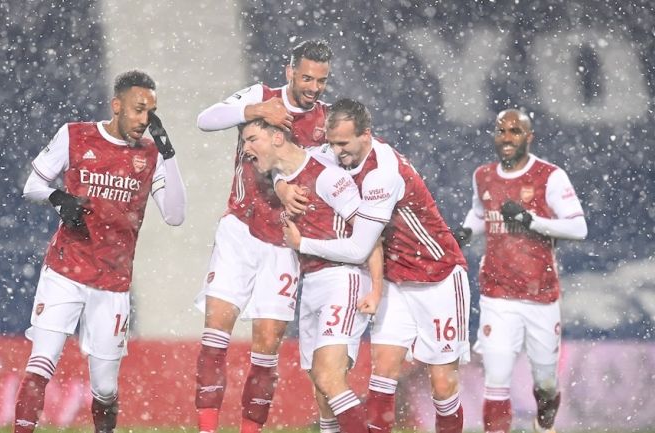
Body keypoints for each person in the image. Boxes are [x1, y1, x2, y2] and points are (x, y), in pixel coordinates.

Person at [282, 99, 470, 433]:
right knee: (382, 375)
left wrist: (302, 245)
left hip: (437, 275)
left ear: (366, 135)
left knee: (442, 385)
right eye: (332, 143)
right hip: (395, 281)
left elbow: (359, 248)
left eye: (344, 143)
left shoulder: (382, 174)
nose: (337, 152)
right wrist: (282, 186)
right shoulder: (335, 155)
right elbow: (290, 161)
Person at [15, 70, 186, 433]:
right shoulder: (75, 135)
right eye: (139, 110)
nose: (146, 120)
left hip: (112, 283)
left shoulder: (151, 156)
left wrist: (168, 154)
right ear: (117, 106)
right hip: (65, 270)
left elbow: (175, 215)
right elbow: (32, 185)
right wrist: (58, 198)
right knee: (40, 363)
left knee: (105, 389)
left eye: (151, 112)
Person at [192, 39, 333, 433]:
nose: (313, 86)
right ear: (290, 71)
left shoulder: (327, 121)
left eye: (321, 80)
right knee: (215, 334)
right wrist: (255, 110)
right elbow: (205, 119)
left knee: (266, 348)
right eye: (306, 77)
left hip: (285, 243)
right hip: (239, 229)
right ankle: (207, 429)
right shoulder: (260, 95)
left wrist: (290, 184)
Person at [242, 118, 380, 433]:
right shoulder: (283, 175)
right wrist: (279, 186)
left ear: (277, 138)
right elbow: (281, 172)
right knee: (321, 392)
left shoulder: (329, 177)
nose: (247, 149)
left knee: (328, 378)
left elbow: (369, 236)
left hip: (344, 279)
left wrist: (376, 290)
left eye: (252, 140)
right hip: (313, 281)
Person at [454, 108, 587, 433]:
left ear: (529, 137)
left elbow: (578, 228)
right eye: (501, 131)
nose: (507, 138)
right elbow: (478, 212)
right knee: (496, 379)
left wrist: (530, 220)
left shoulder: (549, 176)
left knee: (545, 383)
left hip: (540, 296)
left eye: (515, 131)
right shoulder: (483, 175)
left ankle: (545, 422)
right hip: (497, 295)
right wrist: (467, 232)